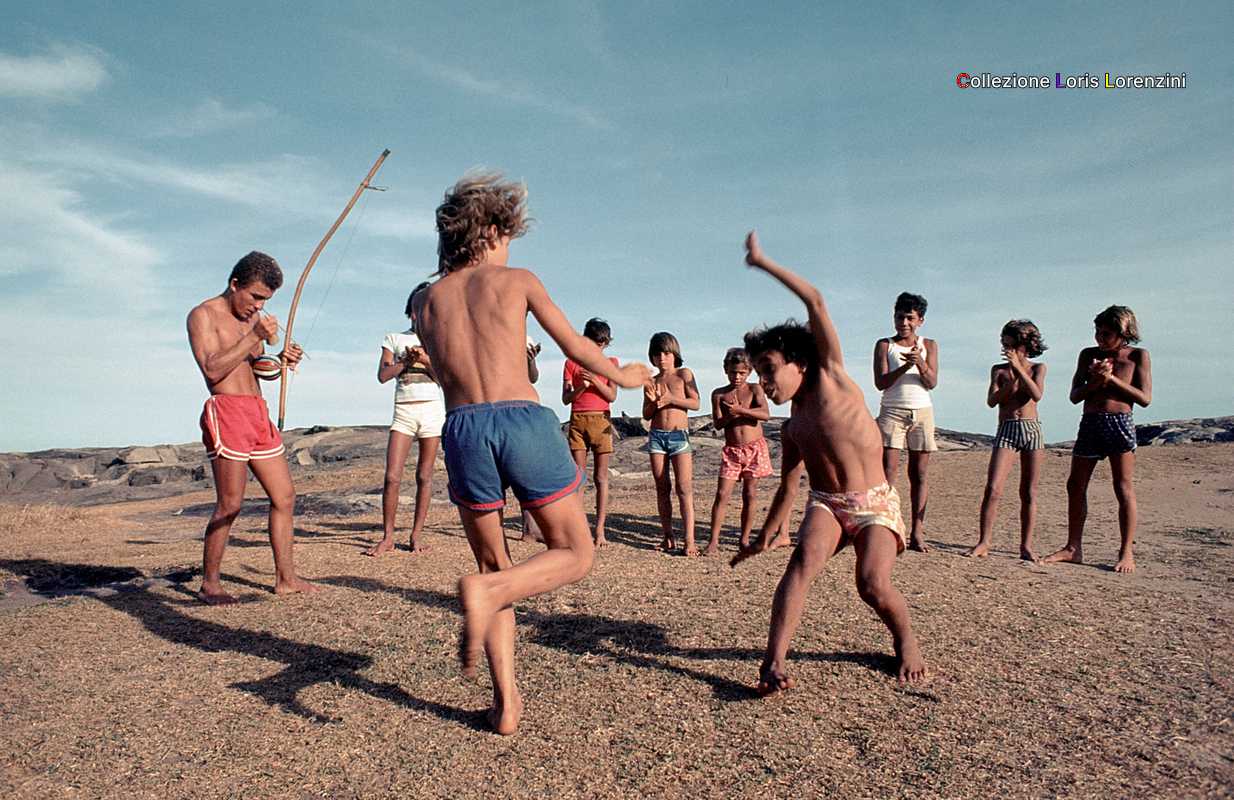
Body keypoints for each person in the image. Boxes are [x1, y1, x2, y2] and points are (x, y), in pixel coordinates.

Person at [412, 173, 649, 734]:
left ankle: (506, 706)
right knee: (576, 552)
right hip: (521, 419)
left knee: (494, 565)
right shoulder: (517, 280)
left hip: (463, 427)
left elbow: (445, 372)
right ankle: (486, 593)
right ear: (493, 232)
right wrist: (624, 376)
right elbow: (575, 346)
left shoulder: (425, 301)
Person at [732, 231, 927, 690]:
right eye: (759, 373)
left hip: (875, 502)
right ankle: (773, 664)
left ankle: (906, 642)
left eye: (770, 370)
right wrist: (763, 536)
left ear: (799, 362)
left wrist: (762, 262)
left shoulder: (831, 376)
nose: (765, 383)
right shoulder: (793, 425)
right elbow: (788, 486)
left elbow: (815, 301)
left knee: (872, 584)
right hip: (827, 503)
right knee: (799, 567)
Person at [186, 251, 319, 605]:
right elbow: (213, 369)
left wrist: (281, 361)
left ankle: (285, 579)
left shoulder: (253, 319)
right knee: (230, 504)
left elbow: (255, 367)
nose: (259, 306)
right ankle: (210, 585)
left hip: (257, 412)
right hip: (227, 411)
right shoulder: (202, 315)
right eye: (255, 296)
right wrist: (253, 336)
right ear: (235, 284)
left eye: (265, 300)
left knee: (285, 497)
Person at [1044, 306, 1152, 574]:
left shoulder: (1137, 356)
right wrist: (1094, 382)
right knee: (1075, 484)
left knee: (1122, 486)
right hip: (1091, 422)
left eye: (1106, 334)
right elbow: (1074, 395)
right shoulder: (1088, 355)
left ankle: (1126, 552)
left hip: (1119, 423)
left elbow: (1144, 398)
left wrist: (1111, 379)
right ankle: (1073, 548)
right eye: (1097, 332)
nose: (1100, 338)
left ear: (1124, 333)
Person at [365, 282, 445, 557]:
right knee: (392, 476)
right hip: (404, 411)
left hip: (432, 411)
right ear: (410, 311)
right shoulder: (394, 339)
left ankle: (416, 535)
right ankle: (387, 537)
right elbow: (383, 376)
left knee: (424, 475)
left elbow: (444, 379)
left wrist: (426, 359)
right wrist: (406, 363)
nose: (419, 315)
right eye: (416, 310)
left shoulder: (439, 341)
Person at [963, 320, 1048, 561]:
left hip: (1031, 429)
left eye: (1010, 344)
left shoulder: (1038, 368)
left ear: (1024, 345)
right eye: (1004, 343)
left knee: (1028, 491)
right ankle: (984, 542)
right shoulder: (998, 370)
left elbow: (1036, 394)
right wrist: (1011, 380)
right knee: (993, 488)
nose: (1006, 348)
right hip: (1007, 429)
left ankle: (1026, 546)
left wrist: (1019, 369)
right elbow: (992, 401)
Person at [873, 292, 938, 552]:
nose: (904, 323)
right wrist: (902, 367)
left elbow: (931, 382)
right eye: (900, 317)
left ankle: (917, 533)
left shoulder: (929, 345)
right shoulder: (884, 345)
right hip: (892, 411)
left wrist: (919, 361)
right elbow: (881, 382)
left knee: (919, 474)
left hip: (922, 412)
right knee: (888, 473)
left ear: (920, 320)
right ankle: (887, 528)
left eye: (910, 318)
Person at [705, 347, 784, 555]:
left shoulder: (754, 389)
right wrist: (730, 416)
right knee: (722, 494)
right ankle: (713, 541)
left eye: (742, 373)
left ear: (749, 371)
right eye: (733, 372)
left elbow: (765, 414)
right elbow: (718, 424)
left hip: (754, 448)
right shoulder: (719, 394)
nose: (737, 377)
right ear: (726, 370)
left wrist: (741, 410)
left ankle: (744, 538)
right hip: (732, 451)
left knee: (750, 494)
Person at [562, 318, 619, 547]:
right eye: (595, 343)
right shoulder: (571, 364)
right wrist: (580, 388)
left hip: (601, 420)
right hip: (578, 420)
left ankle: (600, 530)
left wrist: (595, 380)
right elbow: (566, 398)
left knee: (601, 477)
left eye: (602, 344)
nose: (598, 347)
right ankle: (578, 531)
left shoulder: (611, 364)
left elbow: (612, 395)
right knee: (579, 478)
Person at [643, 332, 701, 555]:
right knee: (662, 487)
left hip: (679, 436)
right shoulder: (651, 381)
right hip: (657, 436)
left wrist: (671, 399)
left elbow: (695, 403)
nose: (662, 358)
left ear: (674, 354)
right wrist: (654, 403)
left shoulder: (684, 374)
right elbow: (646, 414)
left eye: (666, 353)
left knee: (684, 487)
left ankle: (689, 540)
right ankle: (668, 537)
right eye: (657, 354)